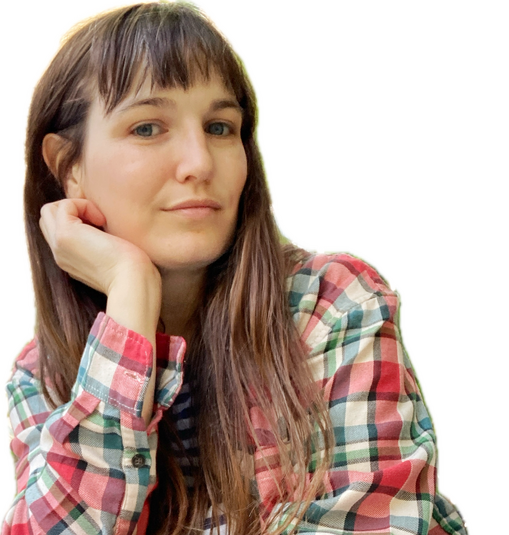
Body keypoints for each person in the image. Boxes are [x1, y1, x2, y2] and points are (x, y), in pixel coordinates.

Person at [1, 0, 470, 533]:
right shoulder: (42, 376)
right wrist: (130, 293)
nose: (200, 162)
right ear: (68, 167)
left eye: (220, 127)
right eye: (148, 128)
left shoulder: (332, 308)